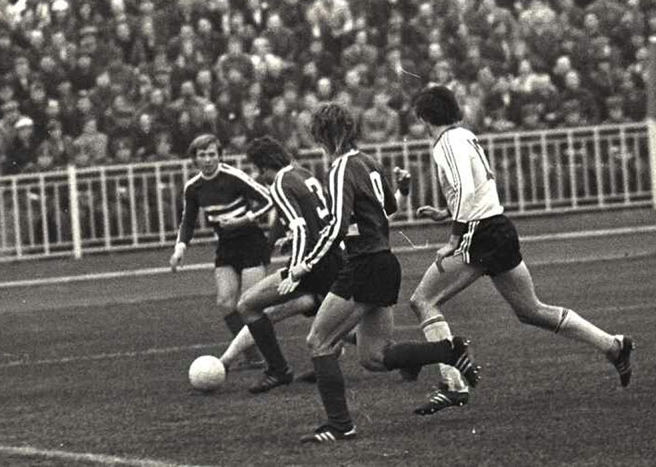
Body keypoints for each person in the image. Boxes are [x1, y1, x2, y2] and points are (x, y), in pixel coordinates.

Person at [407, 85, 635, 415]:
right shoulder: (464, 135)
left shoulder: (445, 142)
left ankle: (453, 385)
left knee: (423, 301)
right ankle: (613, 345)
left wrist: (454, 238)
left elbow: (467, 189)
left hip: (479, 232)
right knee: (531, 311)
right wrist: (446, 212)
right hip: (498, 227)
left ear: (426, 117)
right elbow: (477, 186)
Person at [290, 103, 480, 443]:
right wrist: (402, 191)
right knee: (374, 357)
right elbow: (388, 210)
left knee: (319, 342)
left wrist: (307, 263)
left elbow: (337, 226)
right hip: (383, 263)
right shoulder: (369, 162)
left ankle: (340, 425)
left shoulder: (340, 168)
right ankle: (450, 350)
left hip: (363, 265)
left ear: (325, 136)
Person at [217, 135, 344, 394]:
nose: (258, 175)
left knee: (247, 305)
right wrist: (292, 241)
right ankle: (404, 358)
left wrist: (295, 271)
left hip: (312, 264)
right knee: (331, 318)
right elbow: (320, 218)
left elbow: (300, 227)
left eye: (257, 169)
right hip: (332, 258)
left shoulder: (280, 183)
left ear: (264, 166)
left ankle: (278, 370)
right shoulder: (302, 173)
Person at [169, 134, 272, 370]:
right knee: (226, 303)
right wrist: (180, 248)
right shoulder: (193, 187)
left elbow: (268, 199)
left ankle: (271, 355)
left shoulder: (233, 176)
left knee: (249, 304)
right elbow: (188, 221)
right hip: (226, 245)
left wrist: (245, 219)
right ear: (194, 159)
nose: (208, 160)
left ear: (220, 156)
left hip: (250, 241)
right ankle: (253, 356)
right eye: (202, 155)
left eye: (212, 154)